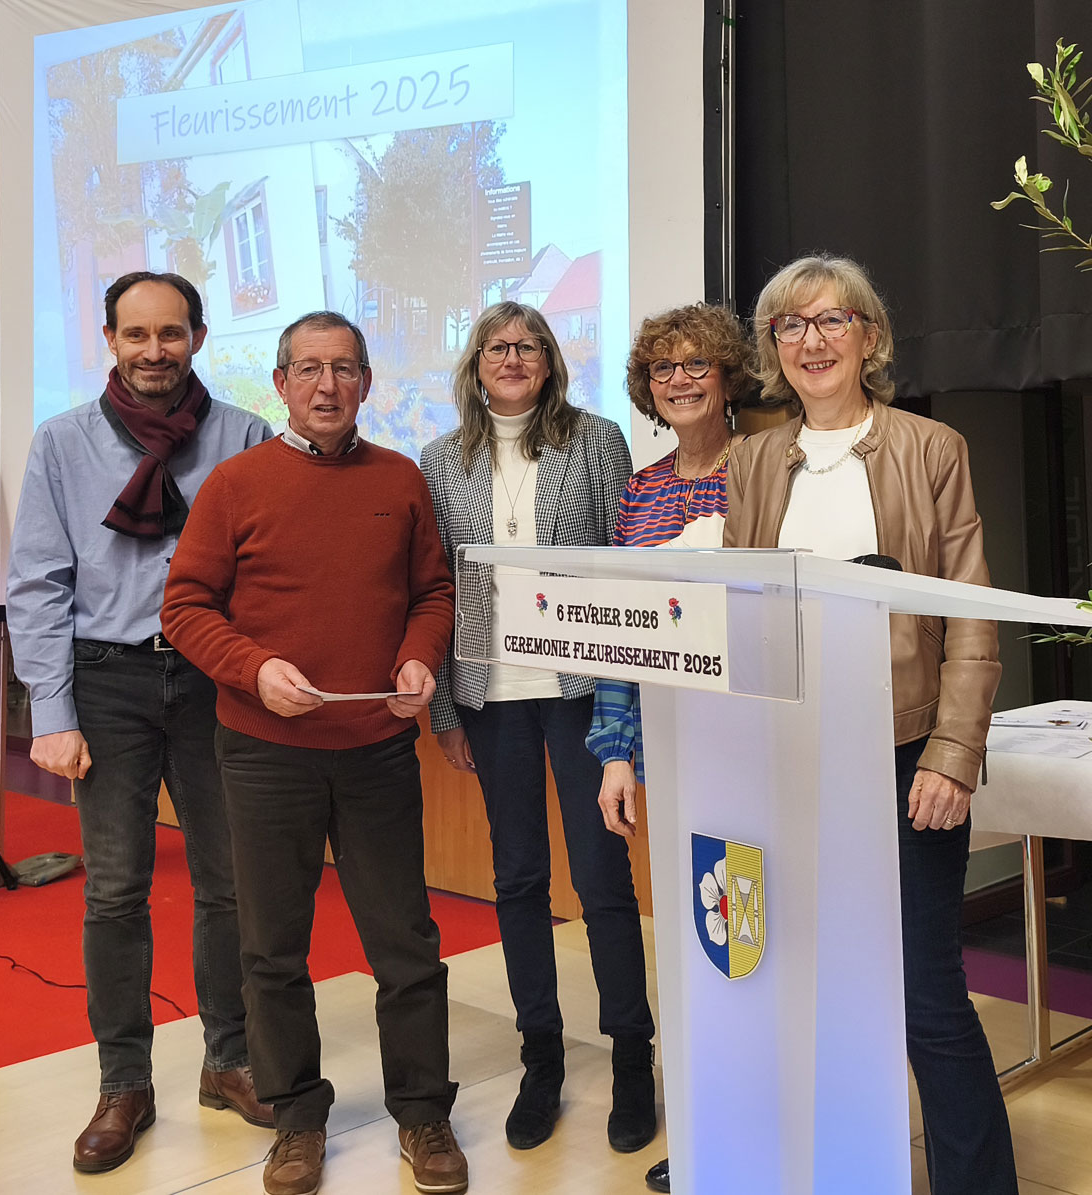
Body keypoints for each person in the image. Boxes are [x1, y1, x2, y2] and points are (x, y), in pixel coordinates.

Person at [723, 254, 1017, 1194]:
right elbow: (740, 610)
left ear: (870, 336)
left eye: (832, 320)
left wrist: (954, 751)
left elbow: (970, 609)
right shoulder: (751, 460)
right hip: (791, 757)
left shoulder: (932, 448)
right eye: (790, 324)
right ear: (773, 346)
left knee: (926, 993)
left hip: (905, 752)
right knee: (810, 982)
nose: (811, 340)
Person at [161, 311, 467, 1195]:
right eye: (308, 369)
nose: (327, 385)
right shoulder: (235, 483)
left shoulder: (401, 479)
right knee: (271, 950)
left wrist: (419, 655)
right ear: (282, 383)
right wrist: (254, 670)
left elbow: (433, 591)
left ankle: (423, 1113)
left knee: (406, 943)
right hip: (265, 753)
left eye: (343, 369)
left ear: (366, 383)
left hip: (377, 750)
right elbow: (184, 607)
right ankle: (296, 1119)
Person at [6, 271, 274, 1174]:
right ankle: (124, 1082)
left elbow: (268, 573)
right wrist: (52, 710)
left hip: (213, 679)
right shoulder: (62, 441)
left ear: (197, 335)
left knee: (228, 883)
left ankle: (229, 1059)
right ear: (110, 340)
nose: (154, 350)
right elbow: (37, 581)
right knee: (115, 891)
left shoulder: (245, 437)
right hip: (106, 680)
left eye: (171, 332)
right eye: (136, 334)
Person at [420, 301, 656, 1156]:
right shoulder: (441, 459)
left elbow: (624, 572)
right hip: (492, 696)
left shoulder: (594, 442)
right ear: (476, 363)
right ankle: (542, 1059)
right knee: (517, 879)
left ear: (550, 361)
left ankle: (632, 1058)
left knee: (601, 878)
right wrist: (445, 710)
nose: (512, 357)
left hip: (579, 690)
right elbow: (436, 588)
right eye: (497, 345)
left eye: (528, 346)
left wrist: (627, 717)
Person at [586, 302, 750, 1194]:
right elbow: (622, 631)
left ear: (728, 377)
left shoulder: (763, 469)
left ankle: (757, 1125)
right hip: (669, 754)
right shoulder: (639, 491)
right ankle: (704, 1128)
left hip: (752, 749)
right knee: (692, 941)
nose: (679, 380)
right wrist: (616, 752)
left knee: (748, 943)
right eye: (662, 368)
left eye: (697, 365)